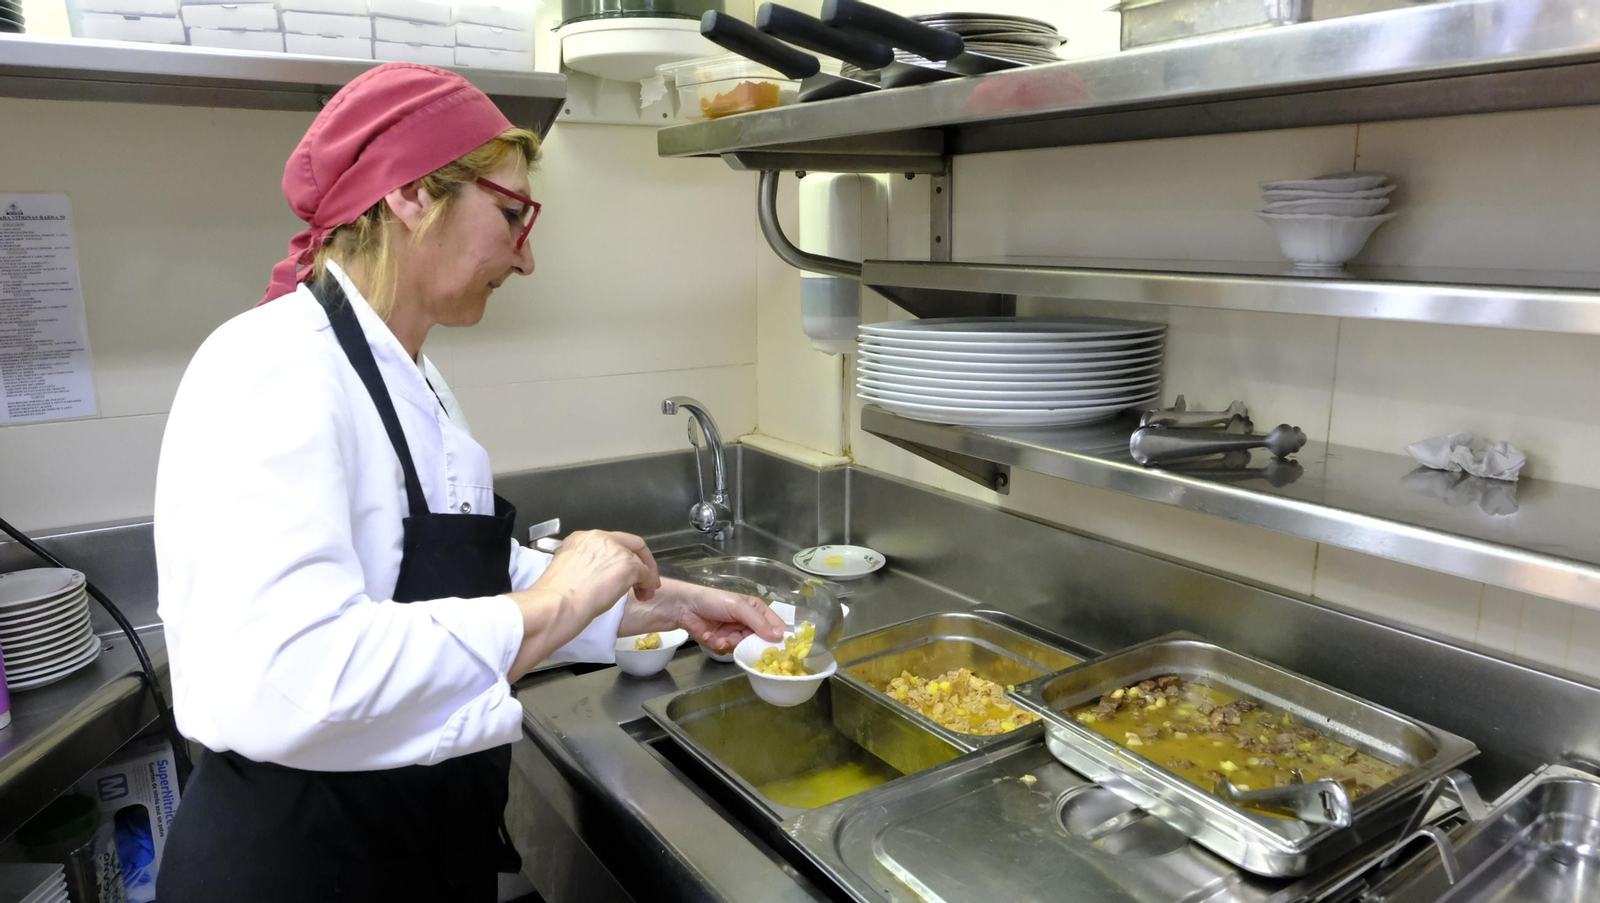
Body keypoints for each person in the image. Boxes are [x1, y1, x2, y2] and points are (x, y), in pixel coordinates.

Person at [151, 63, 783, 902]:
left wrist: (650, 606)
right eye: (511, 214)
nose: (525, 258)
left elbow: (454, 572)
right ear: (412, 196)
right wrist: (558, 600)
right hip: (306, 860)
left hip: (416, 841)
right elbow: (295, 673)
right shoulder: (269, 367)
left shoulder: (417, 376)